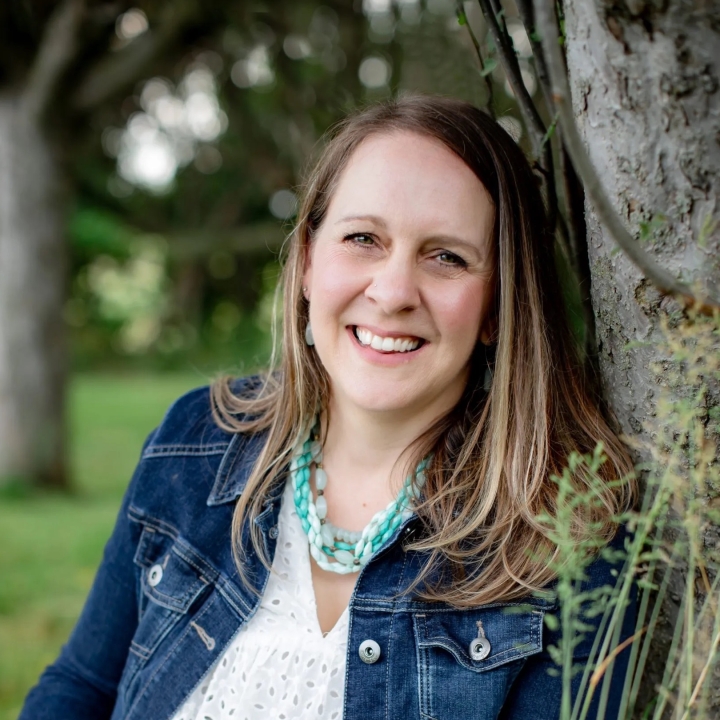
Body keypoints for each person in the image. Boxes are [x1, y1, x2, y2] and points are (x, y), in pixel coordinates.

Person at [20, 95, 637, 720]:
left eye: (446, 256)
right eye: (363, 238)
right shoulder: (197, 441)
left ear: (499, 304)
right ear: (309, 262)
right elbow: (82, 686)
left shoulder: (563, 533)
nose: (393, 292)